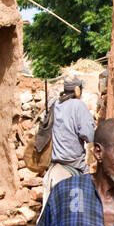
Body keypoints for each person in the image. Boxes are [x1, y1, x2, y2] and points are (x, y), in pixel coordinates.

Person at [39, 75, 95, 218]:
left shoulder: (55, 104)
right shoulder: (78, 106)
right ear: (77, 90)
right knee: (74, 220)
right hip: (72, 169)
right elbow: (89, 135)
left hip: (53, 170)